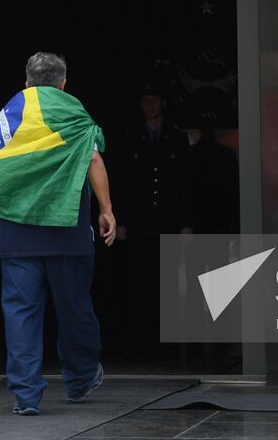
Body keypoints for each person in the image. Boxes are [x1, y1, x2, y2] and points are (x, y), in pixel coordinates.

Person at [0, 52, 116, 416]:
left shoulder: (11, 113)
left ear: (26, 82)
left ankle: (26, 396)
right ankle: (81, 379)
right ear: (63, 83)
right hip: (66, 234)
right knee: (75, 310)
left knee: (21, 313)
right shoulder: (72, 111)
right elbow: (94, 160)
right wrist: (106, 210)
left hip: (16, 234)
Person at [113, 84, 193, 356]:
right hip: (138, 223)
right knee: (138, 284)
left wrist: (186, 223)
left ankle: (167, 345)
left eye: (155, 100)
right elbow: (122, 182)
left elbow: (186, 183)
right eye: (146, 100)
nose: (151, 106)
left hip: (168, 221)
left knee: (168, 284)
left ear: (163, 104)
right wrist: (120, 220)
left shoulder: (176, 137)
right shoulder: (131, 137)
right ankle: (140, 343)